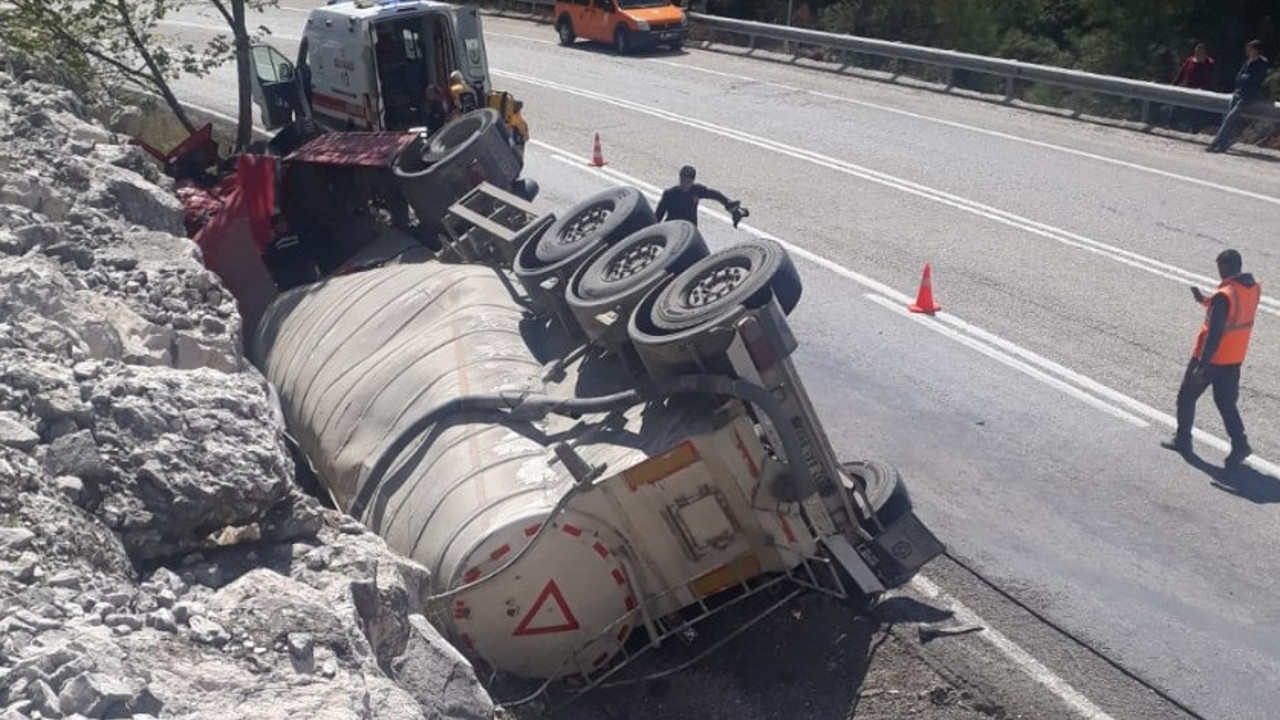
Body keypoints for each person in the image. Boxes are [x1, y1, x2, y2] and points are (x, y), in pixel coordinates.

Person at [1161, 249, 1260, 467]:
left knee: (1186, 397)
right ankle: (1240, 444)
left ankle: (1183, 440)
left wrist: (1201, 366)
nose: (1218, 271)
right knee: (1225, 403)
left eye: (1219, 267)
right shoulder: (1251, 288)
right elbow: (1235, 312)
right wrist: (1205, 300)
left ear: (1225, 267)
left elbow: (1215, 332)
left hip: (1213, 359)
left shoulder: (1224, 296)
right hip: (1234, 358)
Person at [1206, 40, 1271, 153]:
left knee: (1230, 119)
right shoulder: (1247, 62)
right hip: (1238, 93)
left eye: (1250, 49)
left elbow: (1255, 80)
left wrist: (1244, 78)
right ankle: (1223, 144)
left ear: (1256, 50)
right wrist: (1245, 78)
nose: (1247, 51)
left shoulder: (1262, 64)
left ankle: (1215, 143)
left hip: (1249, 96)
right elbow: (1238, 77)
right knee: (1228, 119)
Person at [654, 166, 743, 227]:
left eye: (687, 182)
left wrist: (727, 202)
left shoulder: (696, 190)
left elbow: (714, 195)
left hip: (690, 228)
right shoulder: (670, 194)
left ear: (693, 181)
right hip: (672, 226)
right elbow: (659, 214)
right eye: (682, 181)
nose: (684, 184)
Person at [1170, 41, 1216, 132]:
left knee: (1196, 111)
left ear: (1205, 53)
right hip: (1187, 88)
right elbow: (1181, 73)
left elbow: (1210, 78)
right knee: (1177, 107)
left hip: (1200, 91)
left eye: (1200, 52)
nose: (1198, 53)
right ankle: (1173, 125)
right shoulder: (1189, 60)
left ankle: (1195, 129)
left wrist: (1205, 89)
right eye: (1196, 51)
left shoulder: (1209, 63)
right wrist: (1174, 85)